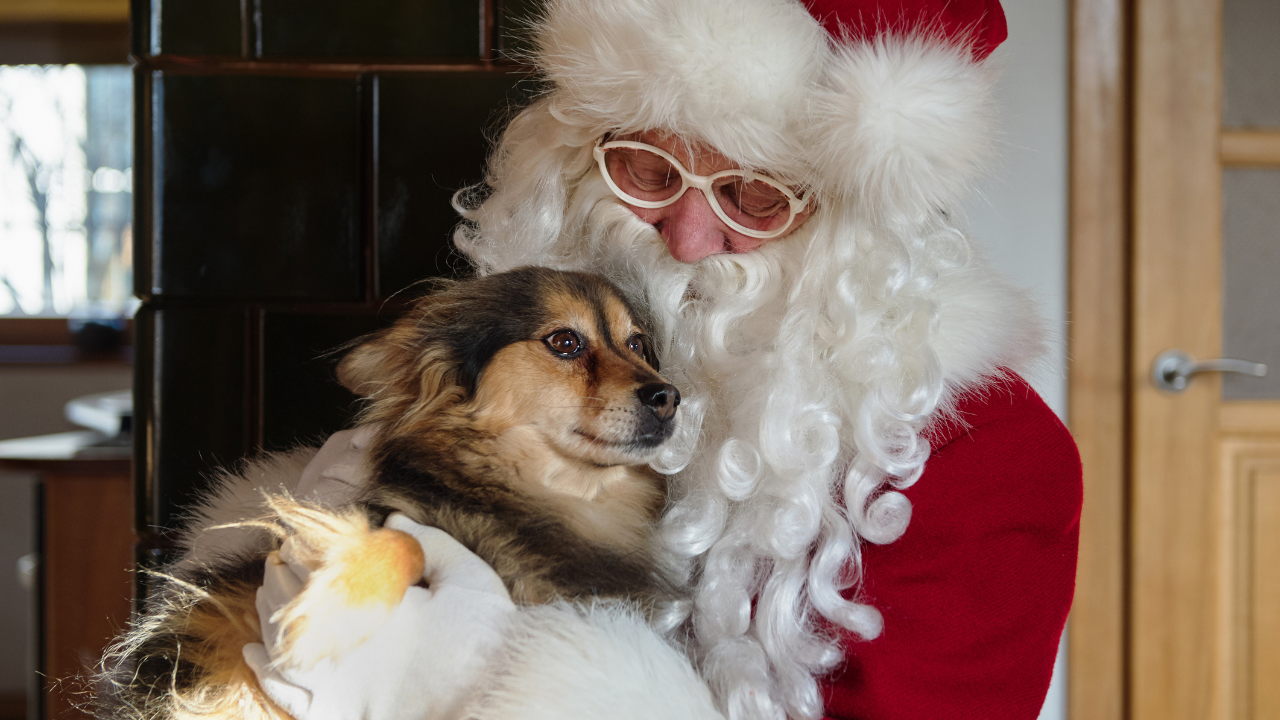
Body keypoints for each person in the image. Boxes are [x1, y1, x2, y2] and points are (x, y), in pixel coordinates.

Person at [235, 0, 1083, 718]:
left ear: (849, 227)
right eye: (645, 169)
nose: (685, 239)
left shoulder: (997, 461)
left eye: (757, 195)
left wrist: (519, 686)